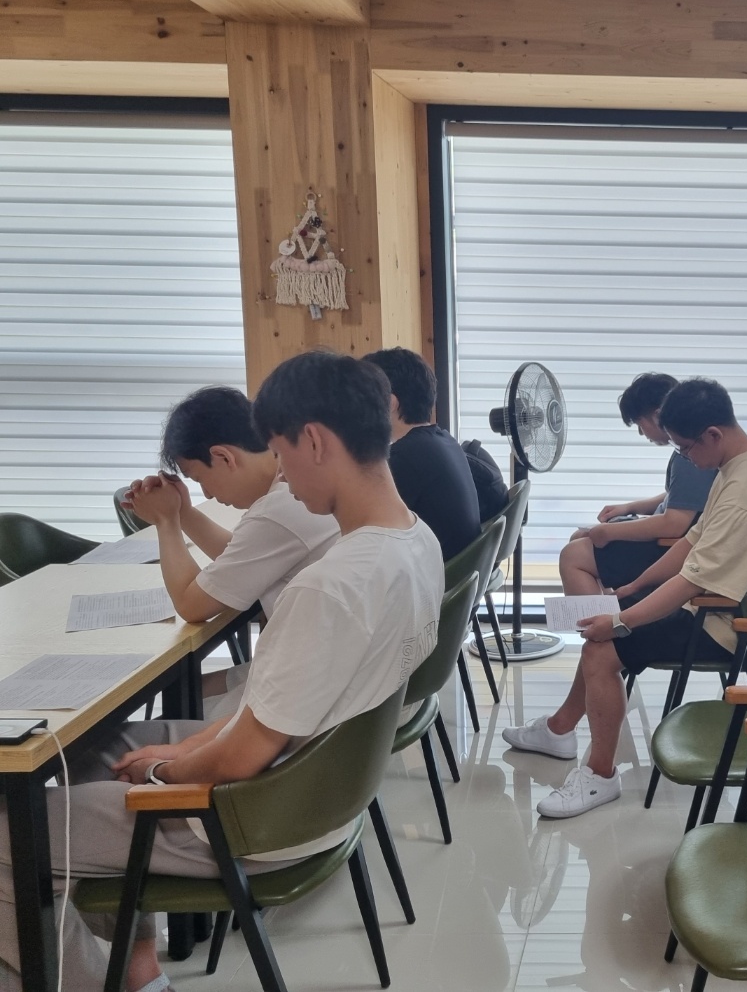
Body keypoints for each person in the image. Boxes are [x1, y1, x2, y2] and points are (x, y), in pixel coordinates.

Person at [0, 350, 442, 992]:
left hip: (256, 814)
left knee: (11, 835)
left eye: (281, 453)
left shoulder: (330, 586)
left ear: (314, 441)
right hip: (317, 789)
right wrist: (177, 752)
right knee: (87, 751)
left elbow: (242, 755)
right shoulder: (416, 542)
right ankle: (140, 969)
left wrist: (162, 772)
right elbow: (265, 714)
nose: (282, 474)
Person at [503, 378, 747, 819]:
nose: (685, 457)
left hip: (732, 626)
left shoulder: (744, 494)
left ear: (713, 435)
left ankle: (600, 774)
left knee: (601, 647)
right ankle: (561, 729)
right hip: (722, 604)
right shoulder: (741, 464)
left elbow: (690, 583)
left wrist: (620, 621)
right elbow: (691, 544)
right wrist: (633, 588)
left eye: (685, 448)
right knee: (608, 624)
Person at [123, 385, 341, 712]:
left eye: (200, 479)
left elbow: (191, 605)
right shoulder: (294, 479)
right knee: (188, 692)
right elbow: (243, 560)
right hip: (333, 666)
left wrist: (166, 522)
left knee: (174, 707)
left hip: (318, 689)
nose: (208, 494)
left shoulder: (280, 507)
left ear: (224, 457)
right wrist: (184, 512)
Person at [559, 373, 717, 597]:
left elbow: (674, 524)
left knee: (573, 556)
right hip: (668, 543)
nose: (641, 433)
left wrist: (610, 531)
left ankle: (602, 620)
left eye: (640, 424)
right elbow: (679, 497)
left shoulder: (690, 454)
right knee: (580, 538)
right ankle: (609, 613)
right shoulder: (689, 448)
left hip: (671, 550)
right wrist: (629, 508)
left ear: (658, 416)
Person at [364, 347, 481, 560]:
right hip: (456, 570)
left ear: (389, 403)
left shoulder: (405, 458)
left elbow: (364, 528)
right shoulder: (442, 440)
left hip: (436, 575)